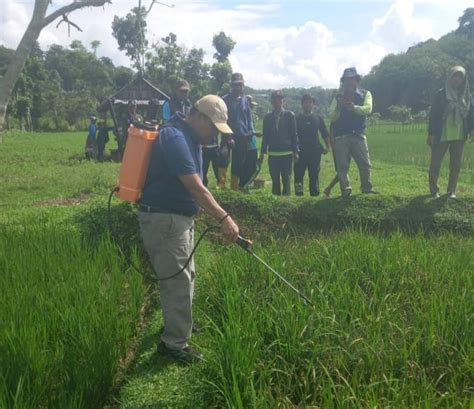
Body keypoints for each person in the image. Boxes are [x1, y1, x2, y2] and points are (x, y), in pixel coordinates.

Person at [139, 95, 240, 364]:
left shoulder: (190, 137)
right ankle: (173, 344)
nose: (215, 136)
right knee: (178, 282)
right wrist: (224, 218)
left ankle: (179, 325)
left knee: (188, 276)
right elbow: (195, 186)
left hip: (179, 219)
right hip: (165, 221)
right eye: (213, 128)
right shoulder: (175, 138)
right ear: (200, 117)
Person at [329, 67, 376, 197]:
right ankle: (346, 190)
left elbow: (368, 109)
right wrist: (339, 107)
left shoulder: (366, 94)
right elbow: (331, 116)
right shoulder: (337, 97)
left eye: (352, 79)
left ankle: (366, 188)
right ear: (343, 82)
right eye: (347, 80)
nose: (349, 83)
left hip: (358, 135)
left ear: (357, 80)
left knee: (365, 164)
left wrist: (354, 108)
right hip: (341, 136)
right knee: (342, 167)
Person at [427, 66, 473, 199]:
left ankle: (451, 191)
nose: (457, 79)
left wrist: (472, 129)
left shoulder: (466, 95)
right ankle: (434, 190)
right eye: (455, 76)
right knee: (435, 163)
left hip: (459, 134)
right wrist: (431, 133)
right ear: (450, 77)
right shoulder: (441, 94)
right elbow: (434, 115)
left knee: (456, 164)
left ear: (463, 80)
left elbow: (470, 114)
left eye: (460, 77)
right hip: (442, 133)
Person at [260, 90, 299, 196]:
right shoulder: (267, 117)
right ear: (272, 101)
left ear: (283, 101)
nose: (278, 102)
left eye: (280, 99)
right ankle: (276, 202)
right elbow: (265, 136)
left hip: (286, 153)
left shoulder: (290, 115)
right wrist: (262, 152)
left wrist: (296, 151)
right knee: (275, 180)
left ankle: (286, 203)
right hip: (273, 153)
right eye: (275, 100)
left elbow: (294, 134)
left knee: (286, 180)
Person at [223, 73, 256, 191]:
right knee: (223, 160)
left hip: (243, 137)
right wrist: (228, 137)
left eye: (240, 85)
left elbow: (248, 118)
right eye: (236, 85)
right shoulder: (225, 100)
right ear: (232, 85)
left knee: (240, 163)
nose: (238, 87)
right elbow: (223, 119)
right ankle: (222, 187)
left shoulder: (245, 99)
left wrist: (250, 134)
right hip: (228, 136)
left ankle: (237, 188)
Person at [295, 94, 330, 196]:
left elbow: (324, 133)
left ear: (313, 104)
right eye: (305, 102)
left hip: (315, 151)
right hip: (300, 151)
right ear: (302, 104)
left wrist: (328, 146)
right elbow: (292, 135)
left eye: (310, 102)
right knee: (298, 174)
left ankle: (314, 194)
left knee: (314, 173)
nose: (308, 104)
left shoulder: (318, 118)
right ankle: (299, 194)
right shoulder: (297, 119)